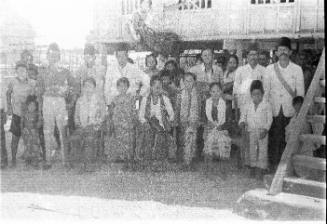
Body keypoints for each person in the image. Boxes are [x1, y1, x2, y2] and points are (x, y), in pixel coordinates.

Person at [265, 37, 304, 172]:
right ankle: (273, 168)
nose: (283, 52)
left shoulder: (297, 69)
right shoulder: (269, 69)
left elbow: (300, 93)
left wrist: (298, 113)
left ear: (290, 52)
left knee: (289, 140)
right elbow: (266, 92)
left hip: (290, 110)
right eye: (280, 50)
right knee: (274, 139)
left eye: (285, 50)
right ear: (276, 53)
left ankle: (287, 169)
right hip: (274, 110)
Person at [36, 43, 76, 165]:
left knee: (62, 130)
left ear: (59, 56)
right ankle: (48, 160)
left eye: (55, 55)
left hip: (60, 101)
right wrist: (39, 110)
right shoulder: (42, 71)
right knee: (47, 131)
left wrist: (70, 100)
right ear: (47, 56)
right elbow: (39, 92)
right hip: (47, 101)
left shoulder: (65, 71)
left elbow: (74, 86)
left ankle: (65, 160)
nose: (53, 57)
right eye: (51, 55)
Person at [188, 49, 224, 160]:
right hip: (199, 102)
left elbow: (221, 86)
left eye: (209, 54)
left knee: (212, 125)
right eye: (204, 55)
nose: (207, 56)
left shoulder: (218, 69)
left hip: (213, 102)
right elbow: (189, 83)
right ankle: (197, 152)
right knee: (198, 126)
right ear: (201, 57)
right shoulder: (194, 69)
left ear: (213, 56)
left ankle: (212, 152)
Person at [137, 75, 175, 171]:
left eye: (160, 86)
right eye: (155, 86)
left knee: (160, 134)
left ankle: (158, 161)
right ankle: (148, 160)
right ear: (151, 87)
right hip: (148, 124)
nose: (157, 88)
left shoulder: (165, 99)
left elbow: (172, 114)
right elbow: (141, 115)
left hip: (162, 125)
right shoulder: (146, 99)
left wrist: (168, 120)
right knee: (148, 133)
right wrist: (145, 123)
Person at [239, 80, 272, 180]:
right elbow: (243, 116)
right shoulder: (248, 105)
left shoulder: (267, 105)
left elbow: (270, 119)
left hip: (262, 132)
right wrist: (242, 122)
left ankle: (262, 169)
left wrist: (266, 130)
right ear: (251, 94)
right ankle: (252, 168)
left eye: (258, 94)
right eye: (254, 94)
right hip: (251, 131)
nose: (256, 96)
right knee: (252, 150)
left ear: (262, 93)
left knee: (262, 150)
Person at [71, 77, 105, 172]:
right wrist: (78, 124)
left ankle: (88, 164)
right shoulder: (80, 100)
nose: (87, 88)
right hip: (81, 126)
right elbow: (76, 116)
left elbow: (103, 116)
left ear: (94, 87)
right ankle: (81, 163)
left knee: (88, 139)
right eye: (85, 86)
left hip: (94, 126)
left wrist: (94, 123)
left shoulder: (99, 100)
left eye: (90, 86)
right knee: (75, 138)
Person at [6, 63, 36, 167]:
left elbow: (35, 97)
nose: (21, 73)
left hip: (28, 116)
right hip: (17, 114)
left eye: (23, 70)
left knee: (29, 137)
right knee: (15, 138)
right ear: (16, 72)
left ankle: (29, 159)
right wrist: (9, 107)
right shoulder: (12, 82)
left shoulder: (32, 83)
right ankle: (13, 159)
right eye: (19, 71)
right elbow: (8, 93)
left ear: (27, 71)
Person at [104, 43, 150, 109]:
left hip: (130, 103)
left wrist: (140, 94)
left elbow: (146, 79)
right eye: (119, 56)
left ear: (127, 55)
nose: (121, 58)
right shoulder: (111, 69)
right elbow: (107, 88)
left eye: (123, 56)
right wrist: (109, 103)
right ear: (116, 57)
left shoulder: (133, 68)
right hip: (114, 103)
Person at [107, 77, 137, 169]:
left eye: (124, 86)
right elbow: (111, 111)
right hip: (118, 124)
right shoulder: (115, 99)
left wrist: (133, 121)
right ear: (117, 88)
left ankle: (130, 160)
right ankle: (122, 160)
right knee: (120, 142)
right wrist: (113, 121)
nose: (122, 88)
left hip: (128, 124)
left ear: (128, 87)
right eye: (120, 86)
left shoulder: (131, 98)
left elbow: (134, 111)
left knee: (129, 142)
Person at [203, 82, 231, 179]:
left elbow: (228, 121)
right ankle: (208, 170)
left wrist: (222, 127)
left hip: (222, 129)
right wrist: (208, 124)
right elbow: (204, 118)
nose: (215, 93)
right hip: (209, 128)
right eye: (213, 91)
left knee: (222, 142)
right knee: (209, 142)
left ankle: (223, 171)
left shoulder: (225, 104)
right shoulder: (207, 102)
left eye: (218, 91)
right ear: (210, 92)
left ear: (221, 92)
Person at [233, 43, 266, 120]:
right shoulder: (240, 70)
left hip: (259, 107)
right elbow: (235, 91)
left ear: (258, 56)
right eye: (251, 54)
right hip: (244, 106)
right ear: (247, 56)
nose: (253, 57)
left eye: (255, 54)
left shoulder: (264, 70)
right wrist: (236, 111)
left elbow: (266, 90)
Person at [175, 72, 200, 169]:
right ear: (183, 82)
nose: (188, 83)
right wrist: (176, 120)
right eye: (186, 81)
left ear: (194, 82)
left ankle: (188, 161)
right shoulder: (180, 94)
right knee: (185, 139)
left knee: (191, 137)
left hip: (194, 120)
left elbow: (200, 108)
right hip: (183, 120)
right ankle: (187, 159)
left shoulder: (197, 94)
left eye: (191, 81)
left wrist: (198, 120)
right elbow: (177, 109)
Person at [21, 95, 43, 169]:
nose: (32, 107)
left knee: (35, 148)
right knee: (27, 147)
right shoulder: (24, 114)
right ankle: (27, 161)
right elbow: (22, 123)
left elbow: (40, 123)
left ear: (36, 107)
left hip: (34, 133)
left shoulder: (37, 114)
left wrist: (37, 126)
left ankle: (35, 162)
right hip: (26, 133)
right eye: (30, 105)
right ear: (27, 106)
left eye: (34, 105)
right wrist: (23, 129)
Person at [223, 54, 239, 122]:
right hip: (225, 97)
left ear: (237, 64)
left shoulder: (238, 72)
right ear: (227, 63)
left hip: (233, 98)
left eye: (234, 63)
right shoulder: (226, 72)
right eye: (230, 62)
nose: (232, 65)